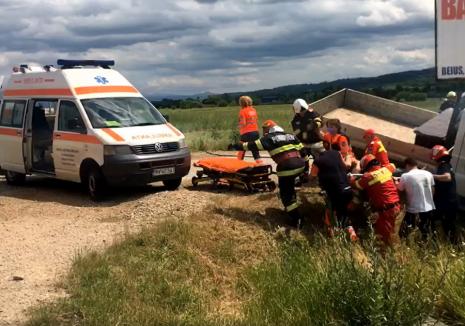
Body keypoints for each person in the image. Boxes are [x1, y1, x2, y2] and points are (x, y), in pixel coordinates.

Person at [235, 120, 307, 227]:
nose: (264, 133)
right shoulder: (291, 136)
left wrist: (236, 145)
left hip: (286, 167)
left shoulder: (269, 138)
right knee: (291, 186)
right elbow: (304, 153)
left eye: (265, 130)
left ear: (270, 130)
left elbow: (252, 145)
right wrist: (305, 171)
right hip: (301, 165)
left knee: (286, 193)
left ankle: (296, 220)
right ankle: (295, 208)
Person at [352, 154, 403, 246]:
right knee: (392, 235)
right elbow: (393, 166)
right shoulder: (386, 170)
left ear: (365, 166)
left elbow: (356, 185)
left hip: (386, 212)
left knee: (387, 239)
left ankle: (391, 257)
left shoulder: (367, 177)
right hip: (397, 208)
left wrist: (350, 178)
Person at [311, 149, 356, 239]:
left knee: (330, 213)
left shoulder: (318, 161)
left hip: (336, 192)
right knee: (343, 212)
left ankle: (332, 235)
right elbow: (345, 166)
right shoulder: (337, 153)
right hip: (348, 189)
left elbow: (313, 175)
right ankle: (351, 233)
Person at [396, 158, 435, 239]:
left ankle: (406, 247)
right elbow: (433, 189)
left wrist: (396, 182)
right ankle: (424, 247)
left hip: (414, 209)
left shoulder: (405, 176)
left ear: (407, 165)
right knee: (425, 230)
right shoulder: (428, 174)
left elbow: (399, 190)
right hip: (429, 207)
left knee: (403, 232)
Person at [431, 145, 458, 243]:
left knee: (448, 226)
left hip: (446, 202)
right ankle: (435, 243)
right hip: (446, 201)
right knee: (444, 224)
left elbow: (447, 177)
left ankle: (454, 246)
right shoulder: (446, 165)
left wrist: (431, 176)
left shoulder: (444, 165)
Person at [237, 96, 261, 163]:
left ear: (241, 103)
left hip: (246, 133)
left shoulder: (242, 111)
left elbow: (243, 123)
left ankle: (238, 163)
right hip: (255, 132)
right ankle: (260, 164)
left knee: (241, 148)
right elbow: (256, 120)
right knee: (255, 150)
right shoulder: (253, 110)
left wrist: (239, 126)